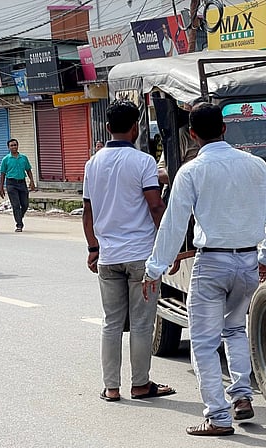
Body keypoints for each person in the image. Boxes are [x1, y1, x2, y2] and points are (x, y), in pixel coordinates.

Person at [143, 102, 266, 436]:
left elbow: (174, 224)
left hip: (212, 264)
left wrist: (155, 268)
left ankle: (218, 416)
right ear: (224, 128)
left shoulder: (191, 171)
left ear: (191, 134)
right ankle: (241, 396)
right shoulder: (256, 165)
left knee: (204, 343)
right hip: (249, 263)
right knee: (235, 329)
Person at [82, 99, 175, 403]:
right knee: (141, 323)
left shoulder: (92, 163)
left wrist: (93, 248)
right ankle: (140, 385)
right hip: (140, 257)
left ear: (107, 127)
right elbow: (155, 204)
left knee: (111, 323)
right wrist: (166, 245)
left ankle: (111, 387)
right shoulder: (144, 161)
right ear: (136, 128)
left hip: (108, 257)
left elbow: (88, 212)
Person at [0, 139, 36, 232]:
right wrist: (1, 188)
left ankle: (19, 216)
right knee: (16, 205)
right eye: (12, 145)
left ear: (18, 146)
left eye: (15, 145)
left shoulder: (23, 158)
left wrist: (32, 181)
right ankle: (19, 224)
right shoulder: (6, 159)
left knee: (25, 204)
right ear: (8, 147)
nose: (14, 147)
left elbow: (28, 170)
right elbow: (2, 173)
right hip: (11, 184)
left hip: (22, 183)